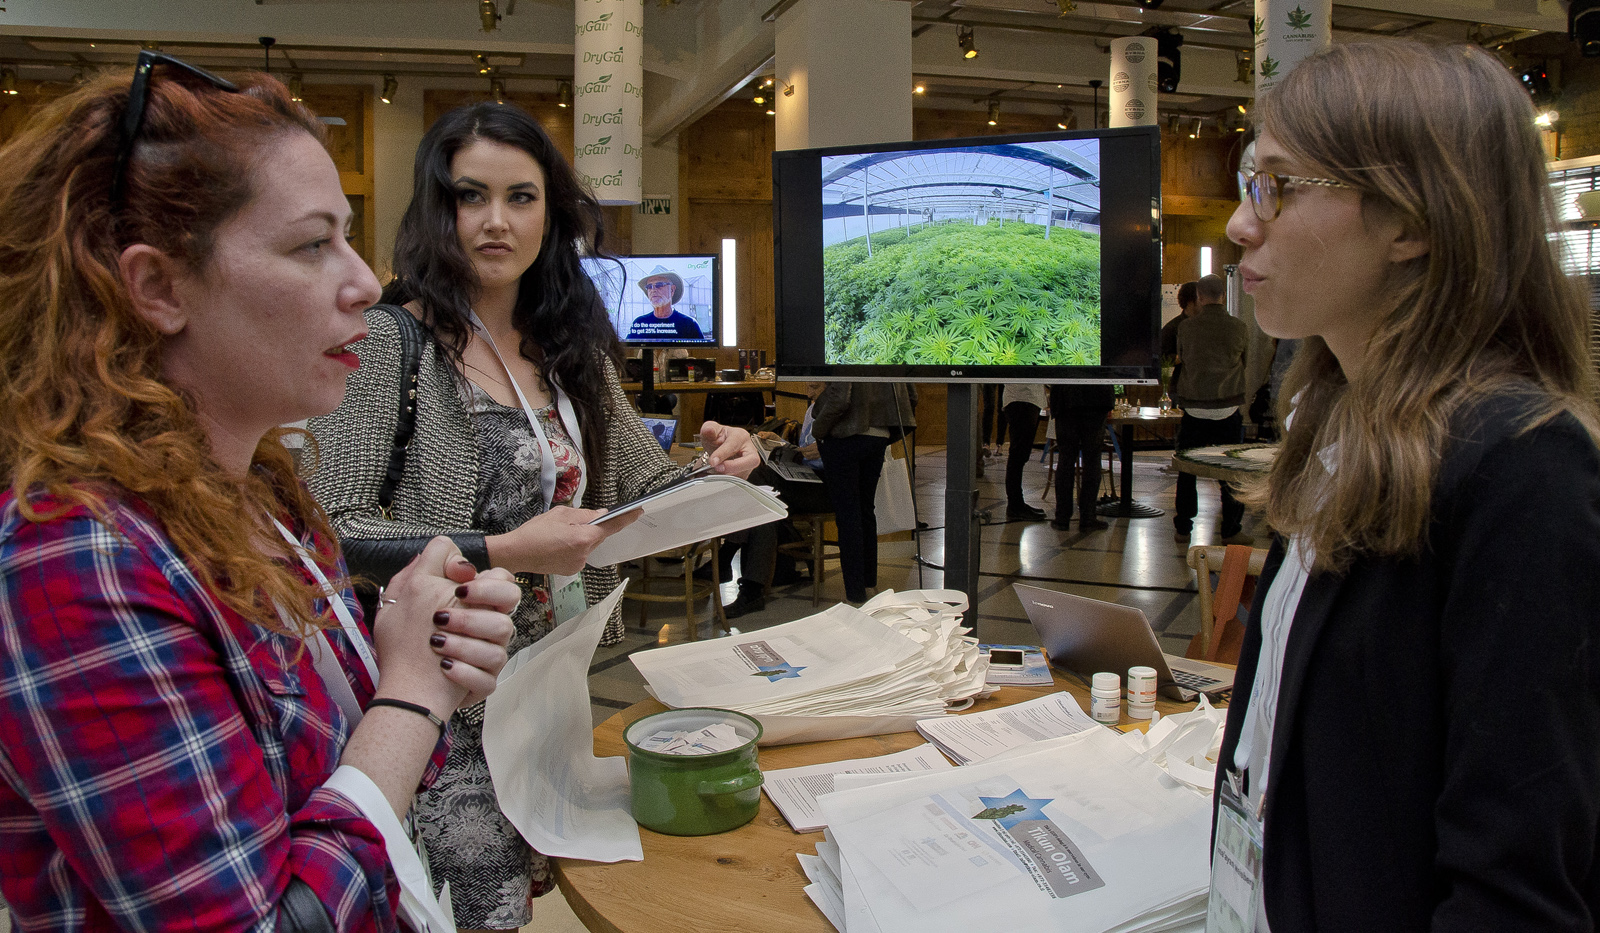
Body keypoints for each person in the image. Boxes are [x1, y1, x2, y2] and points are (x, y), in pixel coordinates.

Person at [0, 56, 516, 929]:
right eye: (313, 245)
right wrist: (413, 696)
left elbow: (337, 778)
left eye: (349, 237)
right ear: (159, 287)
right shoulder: (76, 555)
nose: (362, 282)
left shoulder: (261, 489)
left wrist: (409, 642)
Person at [306, 101, 757, 931]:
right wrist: (511, 547)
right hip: (443, 700)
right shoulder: (387, 342)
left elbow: (640, 486)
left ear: (551, 213)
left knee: (516, 895)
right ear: (437, 208)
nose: (494, 221)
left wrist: (721, 459)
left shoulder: (569, 346)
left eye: (521, 197)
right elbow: (332, 532)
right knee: (466, 910)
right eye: (469, 196)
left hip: (551, 685)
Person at [1216, 40, 1600, 931]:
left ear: (1409, 220)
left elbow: (1515, 891)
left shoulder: (1523, 467)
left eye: (1278, 185)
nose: (1241, 224)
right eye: (1247, 181)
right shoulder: (1336, 423)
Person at [721, 384, 831, 618]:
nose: (808, 390)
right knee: (765, 505)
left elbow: (843, 451)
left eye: (814, 386)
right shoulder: (812, 408)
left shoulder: (837, 409)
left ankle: (726, 556)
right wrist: (780, 444)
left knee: (760, 478)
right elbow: (803, 451)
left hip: (828, 487)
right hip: (805, 478)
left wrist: (827, 450)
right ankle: (752, 589)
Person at [812, 382, 916, 604]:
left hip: (844, 435)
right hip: (879, 434)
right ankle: (869, 584)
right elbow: (912, 395)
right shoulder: (890, 350)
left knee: (848, 516)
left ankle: (855, 594)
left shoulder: (847, 348)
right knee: (866, 511)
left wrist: (817, 429)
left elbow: (840, 398)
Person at [1171, 273, 1250, 544]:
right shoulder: (1239, 327)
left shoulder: (1187, 328)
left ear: (1199, 297)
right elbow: (1245, 361)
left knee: (1187, 470)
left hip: (1194, 409)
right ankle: (1230, 529)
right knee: (1230, 471)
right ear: (1224, 295)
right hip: (1227, 408)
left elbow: (1182, 359)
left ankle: (1183, 527)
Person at [1048, 384, 1113, 532]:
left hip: (1065, 398)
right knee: (1092, 459)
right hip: (1096, 398)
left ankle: (1062, 518)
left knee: (1065, 458)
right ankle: (1088, 517)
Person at [1002, 383, 1048, 520]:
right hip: (1022, 399)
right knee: (1018, 456)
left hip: (1027, 400)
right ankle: (1015, 506)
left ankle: (1017, 503)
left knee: (1020, 455)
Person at [625, 265, 704, 341]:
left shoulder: (689, 324)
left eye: (659, 285)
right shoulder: (639, 323)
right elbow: (628, 350)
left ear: (672, 290)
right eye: (649, 287)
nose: (653, 290)